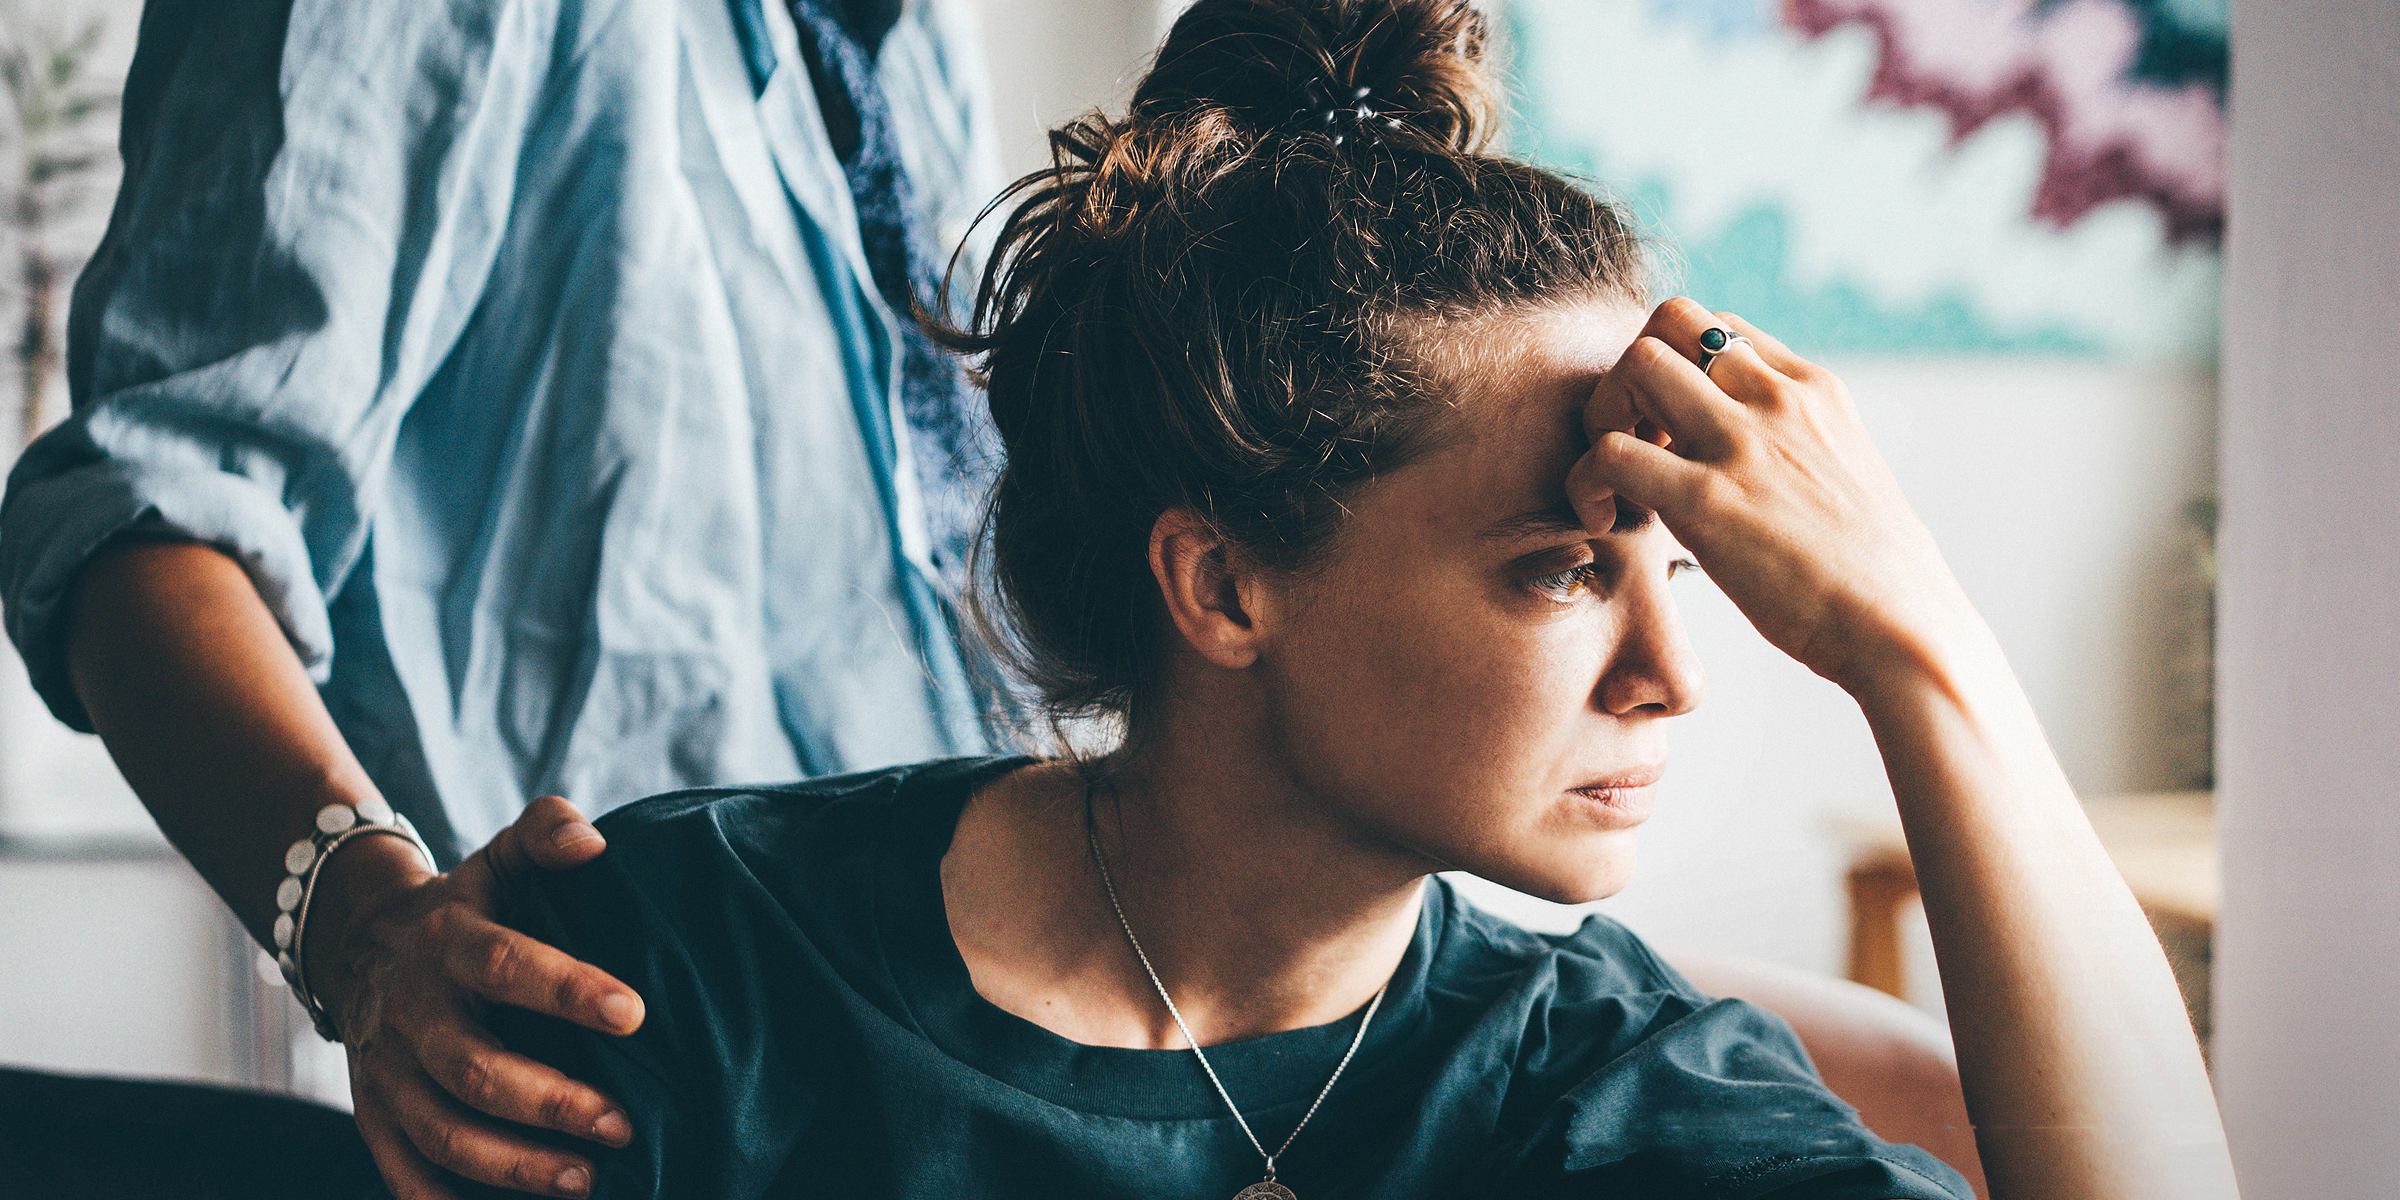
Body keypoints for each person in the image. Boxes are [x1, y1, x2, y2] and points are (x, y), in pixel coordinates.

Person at [477, 1, 2238, 1196]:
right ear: (1225, 583)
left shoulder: (1593, 1090)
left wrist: (1919, 651)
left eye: (1676, 567)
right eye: (1562, 571)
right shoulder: (688, 960)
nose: (1671, 679)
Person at [0, 0, 1009, 1195]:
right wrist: (365, 933)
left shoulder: (911, 39)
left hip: (918, 1115)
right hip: (616, 1126)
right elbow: (147, 528)